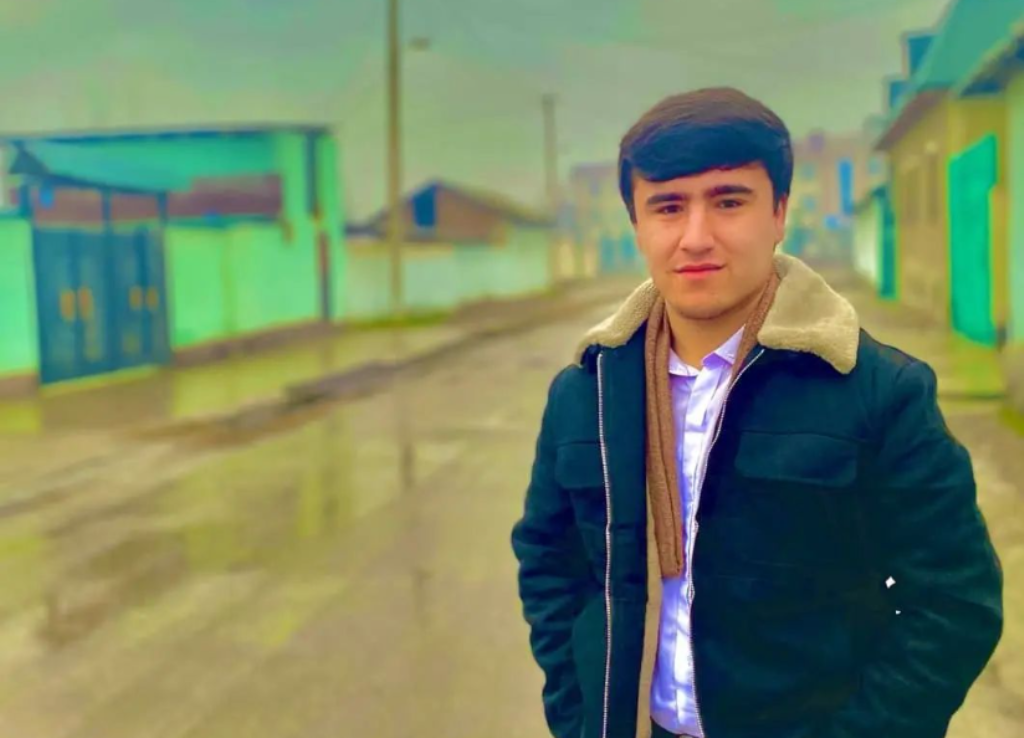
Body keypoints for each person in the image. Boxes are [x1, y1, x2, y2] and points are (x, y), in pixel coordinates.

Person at [511, 87, 1003, 738]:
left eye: (728, 201)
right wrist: (577, 715)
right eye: (668, 206)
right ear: (637, 225)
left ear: (779, 212)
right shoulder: (587, 394)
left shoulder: (878, 391)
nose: (696, 238)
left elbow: (954, 603)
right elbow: (549, 563)